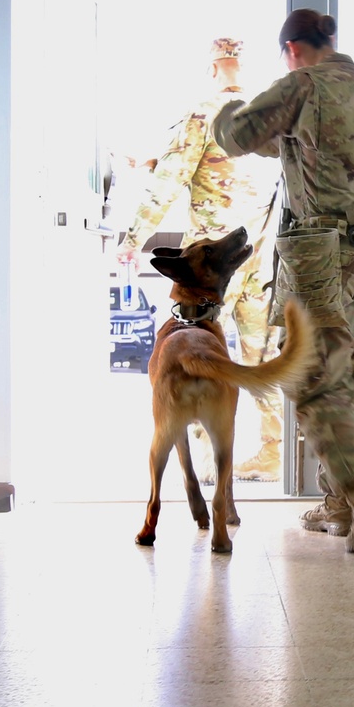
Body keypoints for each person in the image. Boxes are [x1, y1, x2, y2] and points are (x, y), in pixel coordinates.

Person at [213, 8, 354, 553]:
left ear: (292, 50)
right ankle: (341, 505)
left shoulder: (301, 85)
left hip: (324, 261)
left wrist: (227, 103)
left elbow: (236, 136)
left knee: (313, 382)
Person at [117, 37, 284, 479]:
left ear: (213, 69)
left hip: (209, 266)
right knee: (260, 352)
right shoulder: (268, 116)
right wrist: (155, 160)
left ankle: (207, 464)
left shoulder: (202, 114)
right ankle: (275, 452)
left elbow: (171, 181)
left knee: (199, 352)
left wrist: (133, 237)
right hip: (258, 255)